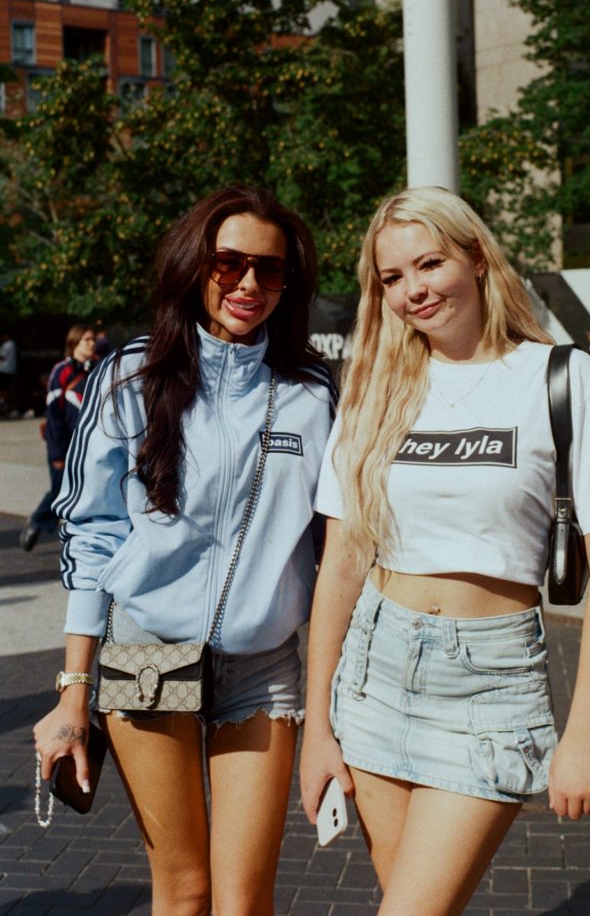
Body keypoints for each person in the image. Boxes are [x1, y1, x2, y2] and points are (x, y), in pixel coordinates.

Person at [300, 187, 590, 916]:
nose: (412, 291)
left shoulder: (561, 379)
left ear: (474, 256)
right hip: (374, 674)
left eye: (428, 264)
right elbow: (341, 561)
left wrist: (585, 736)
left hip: (489, 687)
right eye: (391, 278)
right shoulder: (373, 386)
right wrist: (318, 726)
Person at [33, 186, 336, 916]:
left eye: (270, 269)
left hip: (263, 666)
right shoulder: (132, 375)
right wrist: (73, 695)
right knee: (185, 890)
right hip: (146, 653)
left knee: (241, 899)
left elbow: (336, 545)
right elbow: (94, 533)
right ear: (192, 266)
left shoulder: (310, 388)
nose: (249, 284)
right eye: (227, 263)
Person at [20, 325, 98, 551]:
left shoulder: (96, 370)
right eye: (86, 339)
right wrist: (56, 453)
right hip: (63, 445)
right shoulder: (61, 371)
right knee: (60, 491)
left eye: (93, 339)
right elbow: (53, 414)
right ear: (74, 343)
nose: (92, 343)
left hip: (87, 444)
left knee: (87, 491)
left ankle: (81, 540)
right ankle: (37, 521)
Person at [0, 331, 18, 415]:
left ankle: (2, 404)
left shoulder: (7, 344)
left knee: (3, 389)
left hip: (4, 370)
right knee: (5, 389)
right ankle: (4, 405)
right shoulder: (12, 344)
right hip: (9, 370)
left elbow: (2, 356)